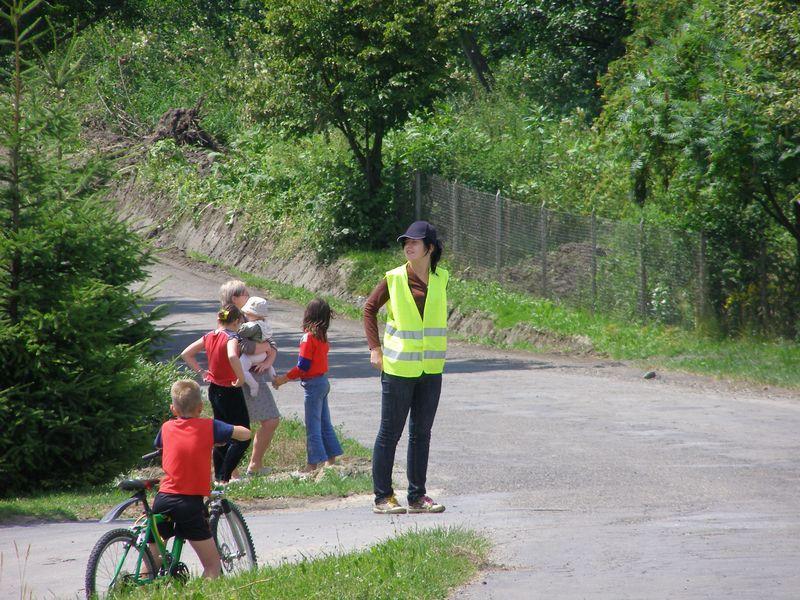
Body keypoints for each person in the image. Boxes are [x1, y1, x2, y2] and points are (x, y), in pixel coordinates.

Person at [363, 220, 448, 514]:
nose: (408, 246)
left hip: (431, 369)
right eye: (405, 242)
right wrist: (375, 349)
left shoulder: (442, 279)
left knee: (421, 434)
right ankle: (383, 497)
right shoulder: (395, 278)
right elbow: (369, 309)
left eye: (414, 242)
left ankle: (417, 497)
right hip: (398, 368)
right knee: (390, 433)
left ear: (430, 248)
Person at [148, 379, 251, 578]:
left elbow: (158, 445)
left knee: (151, 564)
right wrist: (231, 431)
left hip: (162, 499)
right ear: (201, 407)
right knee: (213, 566)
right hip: (188, 503)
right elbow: (245, 434)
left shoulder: (167, 427)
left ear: (173, 409)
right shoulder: (209, 426)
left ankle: (141, 587)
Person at [180, 304, 250, 483]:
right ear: (235, 321)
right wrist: (240, 378)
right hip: (230, 390)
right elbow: (232, 356)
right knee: (243, 435)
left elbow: (186, 353)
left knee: (221, 435)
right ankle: (225, 476)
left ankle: (219, 477)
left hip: (214, 389)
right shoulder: (231, 337)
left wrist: (202, 372)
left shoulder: (210, 336)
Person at [273, 298, 343, 472]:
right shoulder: (322, 337)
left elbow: (303, 365)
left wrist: (284, 378)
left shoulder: (307, 337)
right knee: (325, 422)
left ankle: (312, 464)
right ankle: (330, 459)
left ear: (308, 315)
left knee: (312, 425)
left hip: (313, 385)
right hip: (323, 382)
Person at [219, 280, 280, 477]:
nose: (249, 295)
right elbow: (240, 346)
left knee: (269, 420)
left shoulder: (251, 319)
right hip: (239, 377)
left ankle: (254, 465)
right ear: (235, 298)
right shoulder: (230, 320)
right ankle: (232, 471)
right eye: (245, 293)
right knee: (237, 426)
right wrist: (264, 348)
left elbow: (270, 342)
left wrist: (269, 355)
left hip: (255, 375)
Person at [238, 296, 278, 398]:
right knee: (269, 366)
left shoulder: (252, 325)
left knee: (242, 369)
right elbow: (271, 341)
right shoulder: (265, 324)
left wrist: (238, 328)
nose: (246, 315)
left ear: (252, 314)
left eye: (247, 313)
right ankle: (274, 379)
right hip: (264, 355)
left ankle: (253, 385)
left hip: (252, 356)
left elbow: (241, 332)